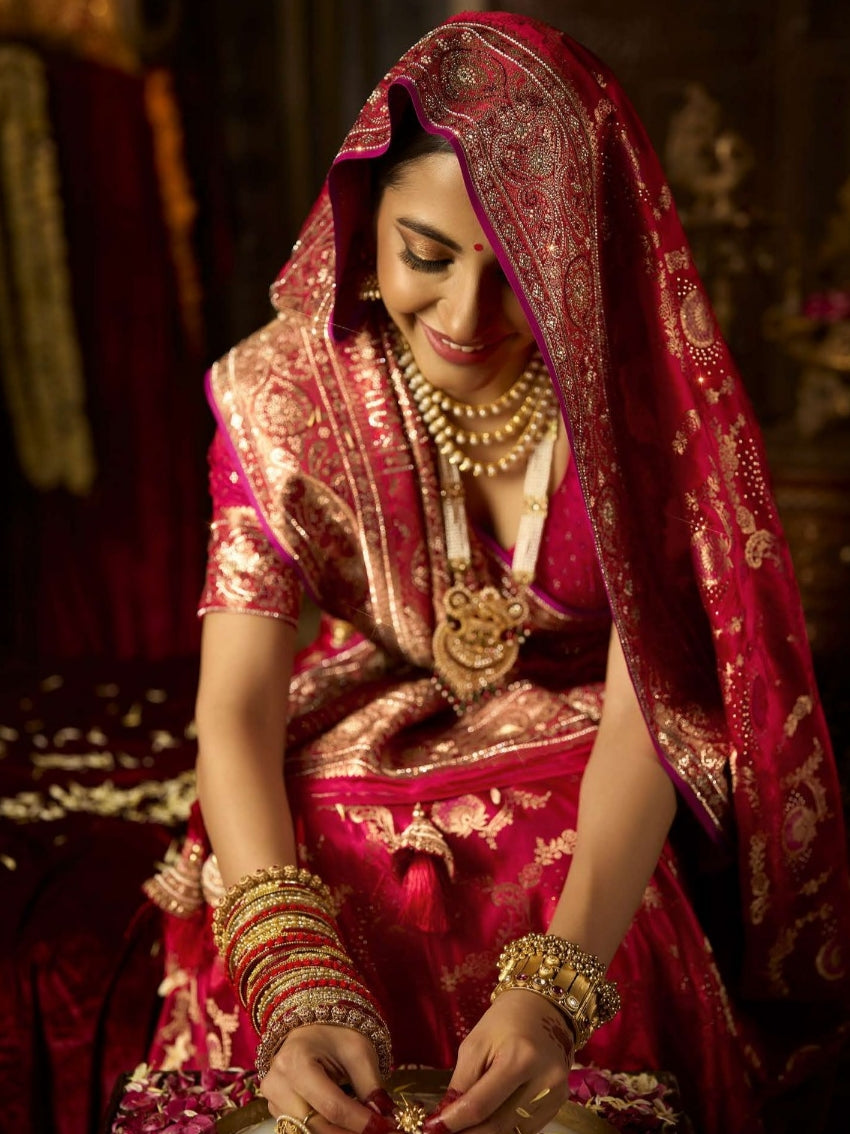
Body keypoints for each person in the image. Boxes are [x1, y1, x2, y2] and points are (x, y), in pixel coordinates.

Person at [145, 12, 850, 1134]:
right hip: (368, 710)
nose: (467, 319)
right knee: (317, 838)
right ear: (364, 216)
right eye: (426, 256)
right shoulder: (284, 396)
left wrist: (556, 992)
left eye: (520, 274)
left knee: (555, 837)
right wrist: (292, 977)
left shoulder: (636, 406)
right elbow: (232, 706)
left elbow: (653, 705)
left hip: (591, 735)